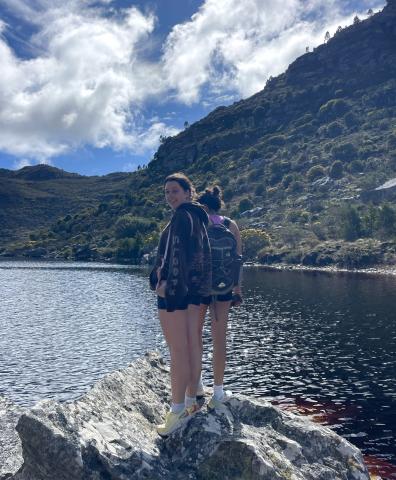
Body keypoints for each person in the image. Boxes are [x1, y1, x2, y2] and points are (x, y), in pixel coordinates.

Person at [150, 173, 211, 437]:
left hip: (176, 294)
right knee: (189, 346)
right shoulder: (197, 217)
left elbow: (175, 259)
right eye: (167, 192)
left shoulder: (180, 218)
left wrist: (166, 288)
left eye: (175, 190)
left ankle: (176, 413)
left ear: (188, 192)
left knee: (177, 351)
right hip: (194, 292)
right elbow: (199, 258)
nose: (170, 196)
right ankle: (191, 401)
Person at [197, 186, 243, 409]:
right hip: (224, 289)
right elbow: (237, 261)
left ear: (203, 206)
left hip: (199, 289)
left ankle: (196, 386)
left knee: (194, 337)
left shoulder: (198, 223)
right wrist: (237, 290)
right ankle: (217, 392)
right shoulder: (230, 224)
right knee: (219, 339)